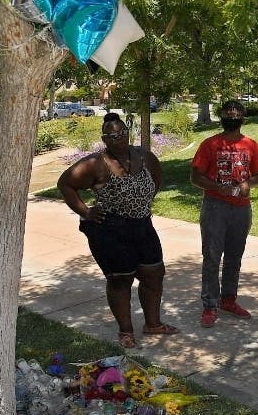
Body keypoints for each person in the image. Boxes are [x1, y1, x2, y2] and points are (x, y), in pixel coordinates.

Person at [57, 113, 177, 349]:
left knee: (154, 274)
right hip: (111, 230)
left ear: (127, 132)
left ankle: (153, 323)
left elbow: (157, 179)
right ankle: (126, 330)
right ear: (104, 139)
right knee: (121, 280)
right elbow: (65, 184)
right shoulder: (95, 164)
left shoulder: (145, 157)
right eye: (112, 135)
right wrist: (86, 211)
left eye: (121, 133)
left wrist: (141, 203)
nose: (118, 138)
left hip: (143, 225)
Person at [190, 100, 258, 327]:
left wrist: (247, 185)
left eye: (236, 113)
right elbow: (195, 176)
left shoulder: (251, 145)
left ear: (243, 118)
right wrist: (216, 186)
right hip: (215, 206)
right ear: (221, 116)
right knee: (212, 257)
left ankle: (229, 299)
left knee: (234, 257)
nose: (232, 116)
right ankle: (210, 305)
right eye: (228, 113)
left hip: (241, 208)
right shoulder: (210, 144)